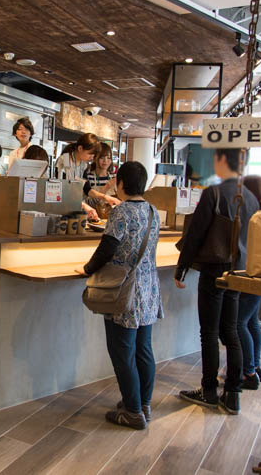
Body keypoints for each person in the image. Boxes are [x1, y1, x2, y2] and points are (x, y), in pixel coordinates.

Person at [175, 148, 259, 415]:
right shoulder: (251, 198)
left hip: (213, 270)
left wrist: (182, 268)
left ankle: (209, 391)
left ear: (223, 160)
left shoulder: (214, 193)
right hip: (238, 272)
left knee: (209, 333)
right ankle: (233, 394)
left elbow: (195, 234)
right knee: (231, 330)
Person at [78, 161, 162, 430]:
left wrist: (87, 269)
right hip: (148, 288)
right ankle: (142, 404)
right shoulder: (153, 211)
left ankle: (133, 411)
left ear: (121, 183)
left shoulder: (122, 211)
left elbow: (108, 247)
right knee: (143, 349)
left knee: (122, 351)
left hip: (125, 290)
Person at [238, 175, 261, 389]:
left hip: (251, 273)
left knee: (238, 322)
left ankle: (248, 372)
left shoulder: (253, 217)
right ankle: (255, 366)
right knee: (251, 321)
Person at [54, 133, 120, 220]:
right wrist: (85, 206)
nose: (92, 157)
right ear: (80, 148)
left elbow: (86, 188)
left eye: (94, 155)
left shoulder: (84, 164)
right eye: (90, 154)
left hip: (77, 208)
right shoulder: (65, 160)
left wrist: (105, 197)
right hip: (64, 210)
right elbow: (64, 191)